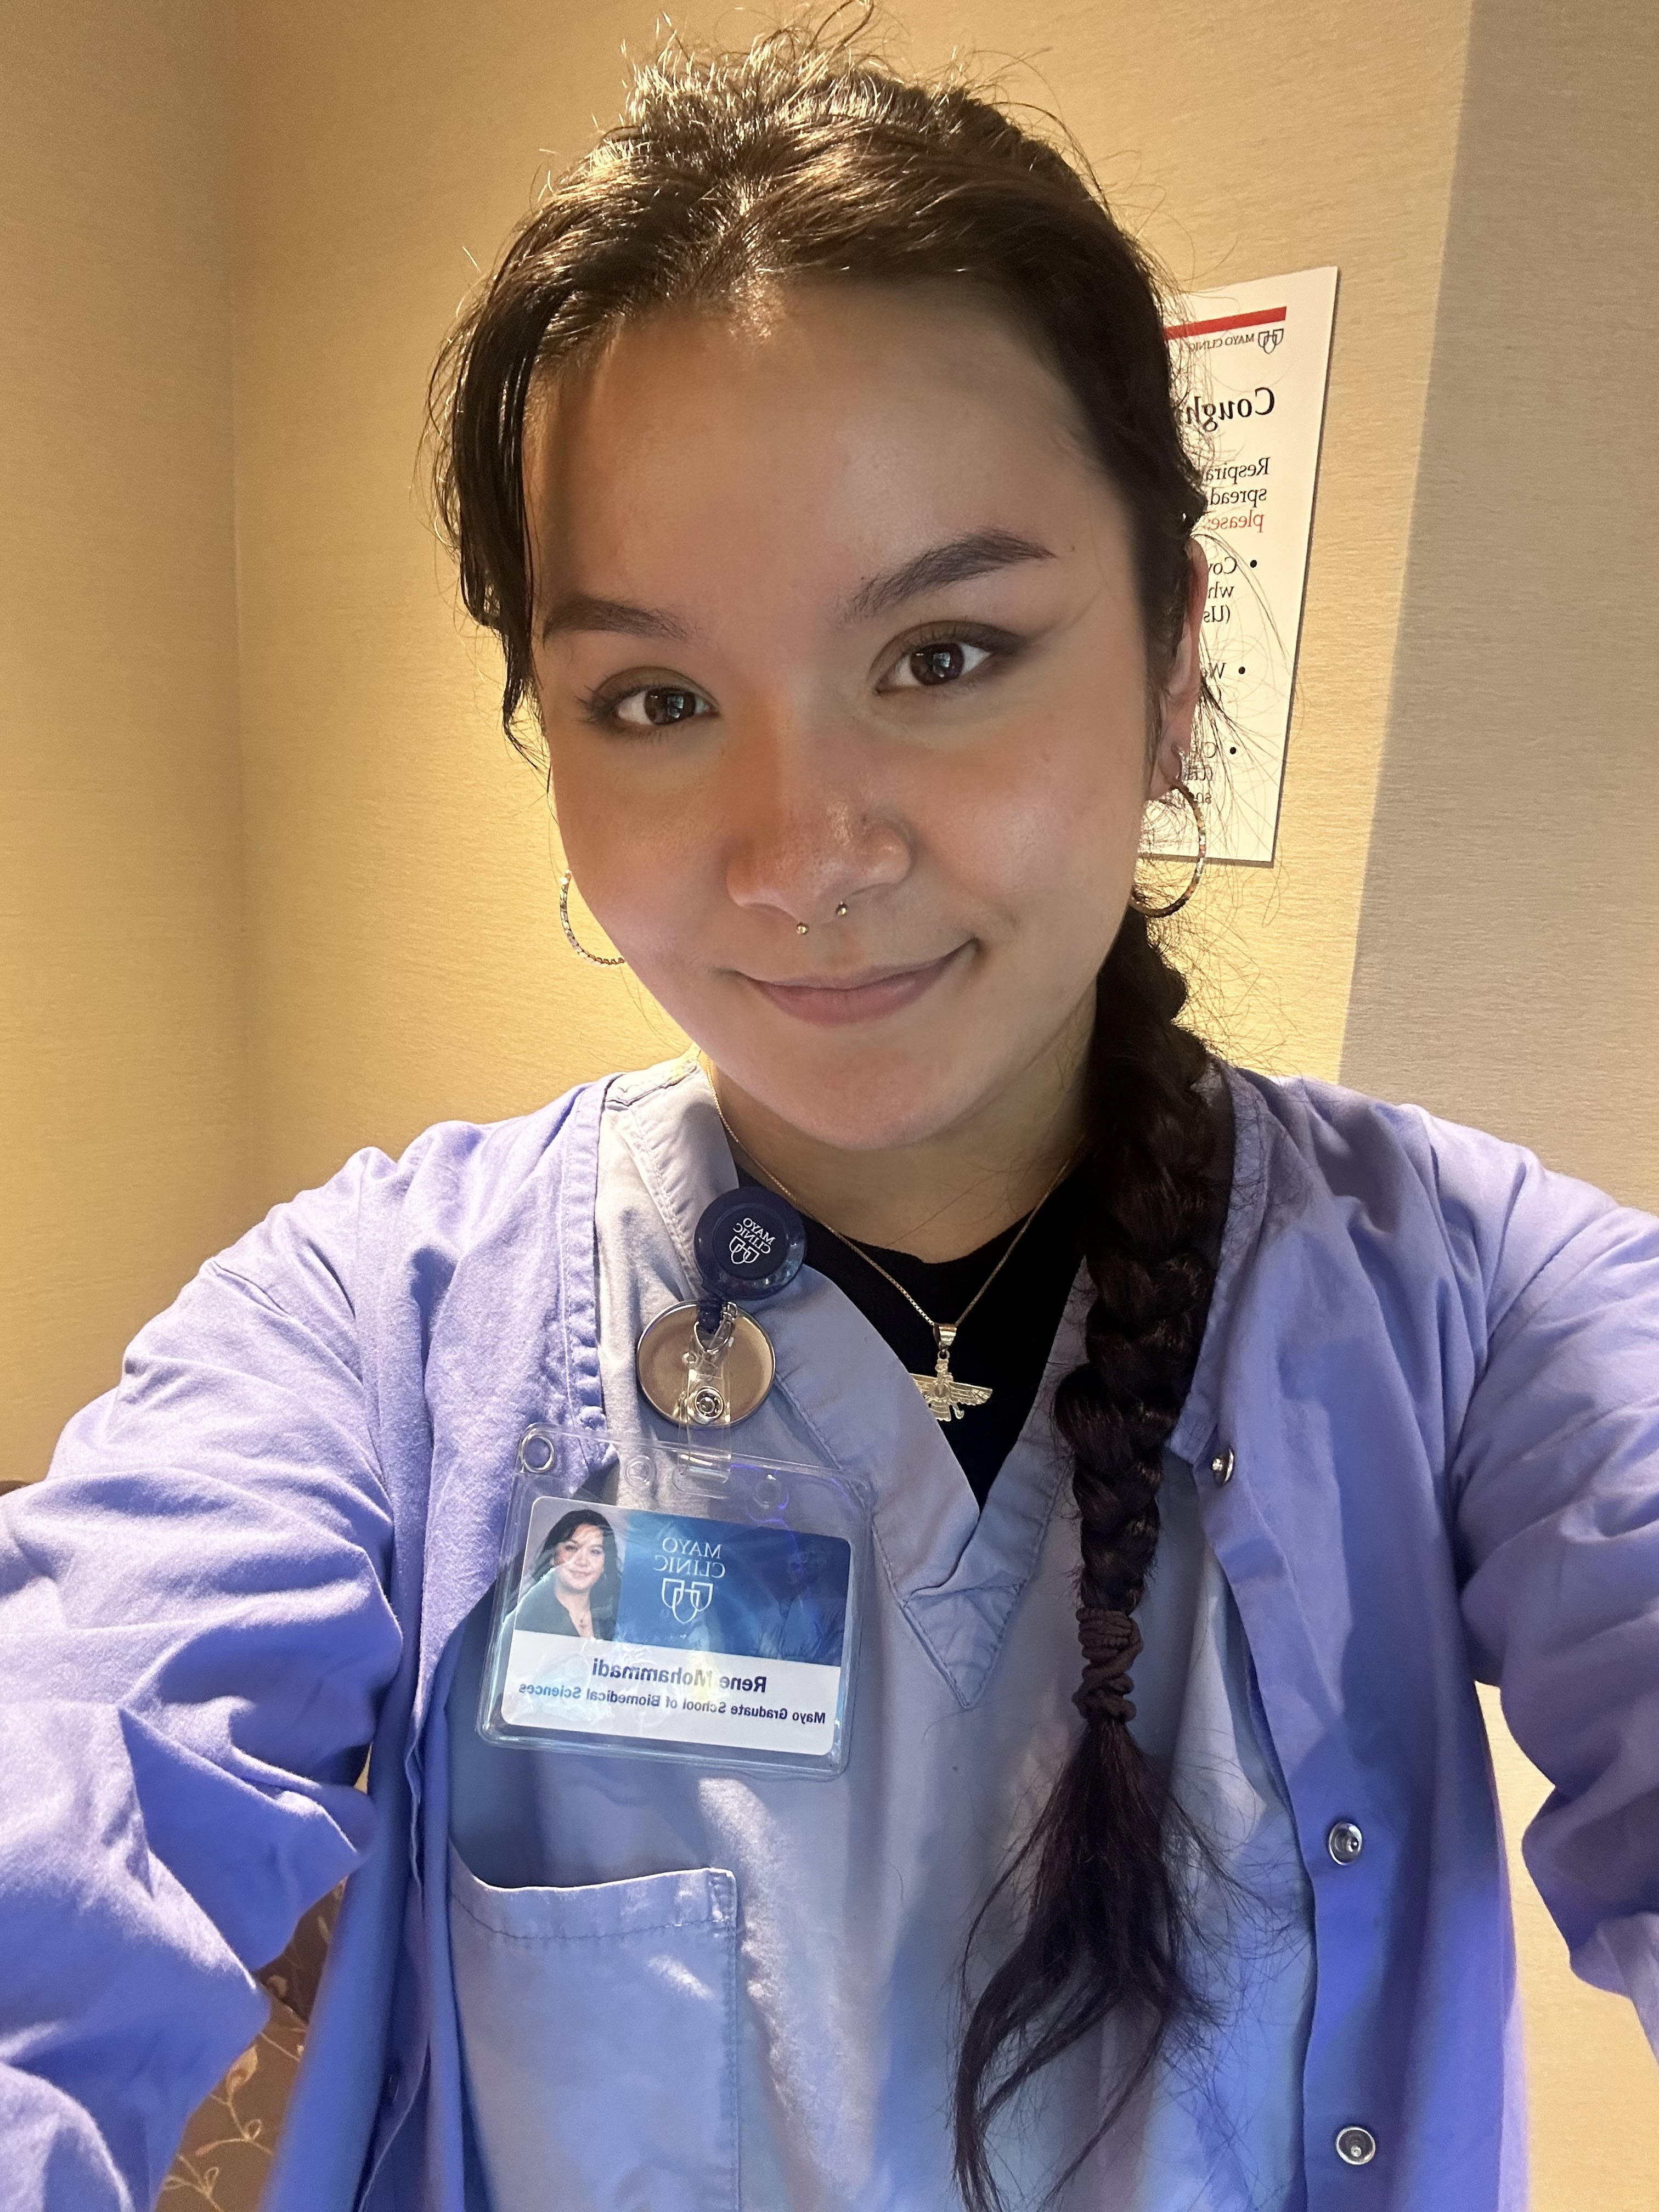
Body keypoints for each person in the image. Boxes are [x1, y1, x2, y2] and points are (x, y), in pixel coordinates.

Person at [1, 22, 1655, 2212]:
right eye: (656, 699)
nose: (800, 856)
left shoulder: (1476, 1314)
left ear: (1177, 660)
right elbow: (56, 1824)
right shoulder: (379, 1336)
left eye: (944, 654)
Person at [510, 1509, 619, 1639]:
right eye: (572, 1548)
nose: (583, 1561)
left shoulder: (613, 1616)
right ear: (552, 1557)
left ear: (604, 1564)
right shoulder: (527, 1617)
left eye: (595, 1552)